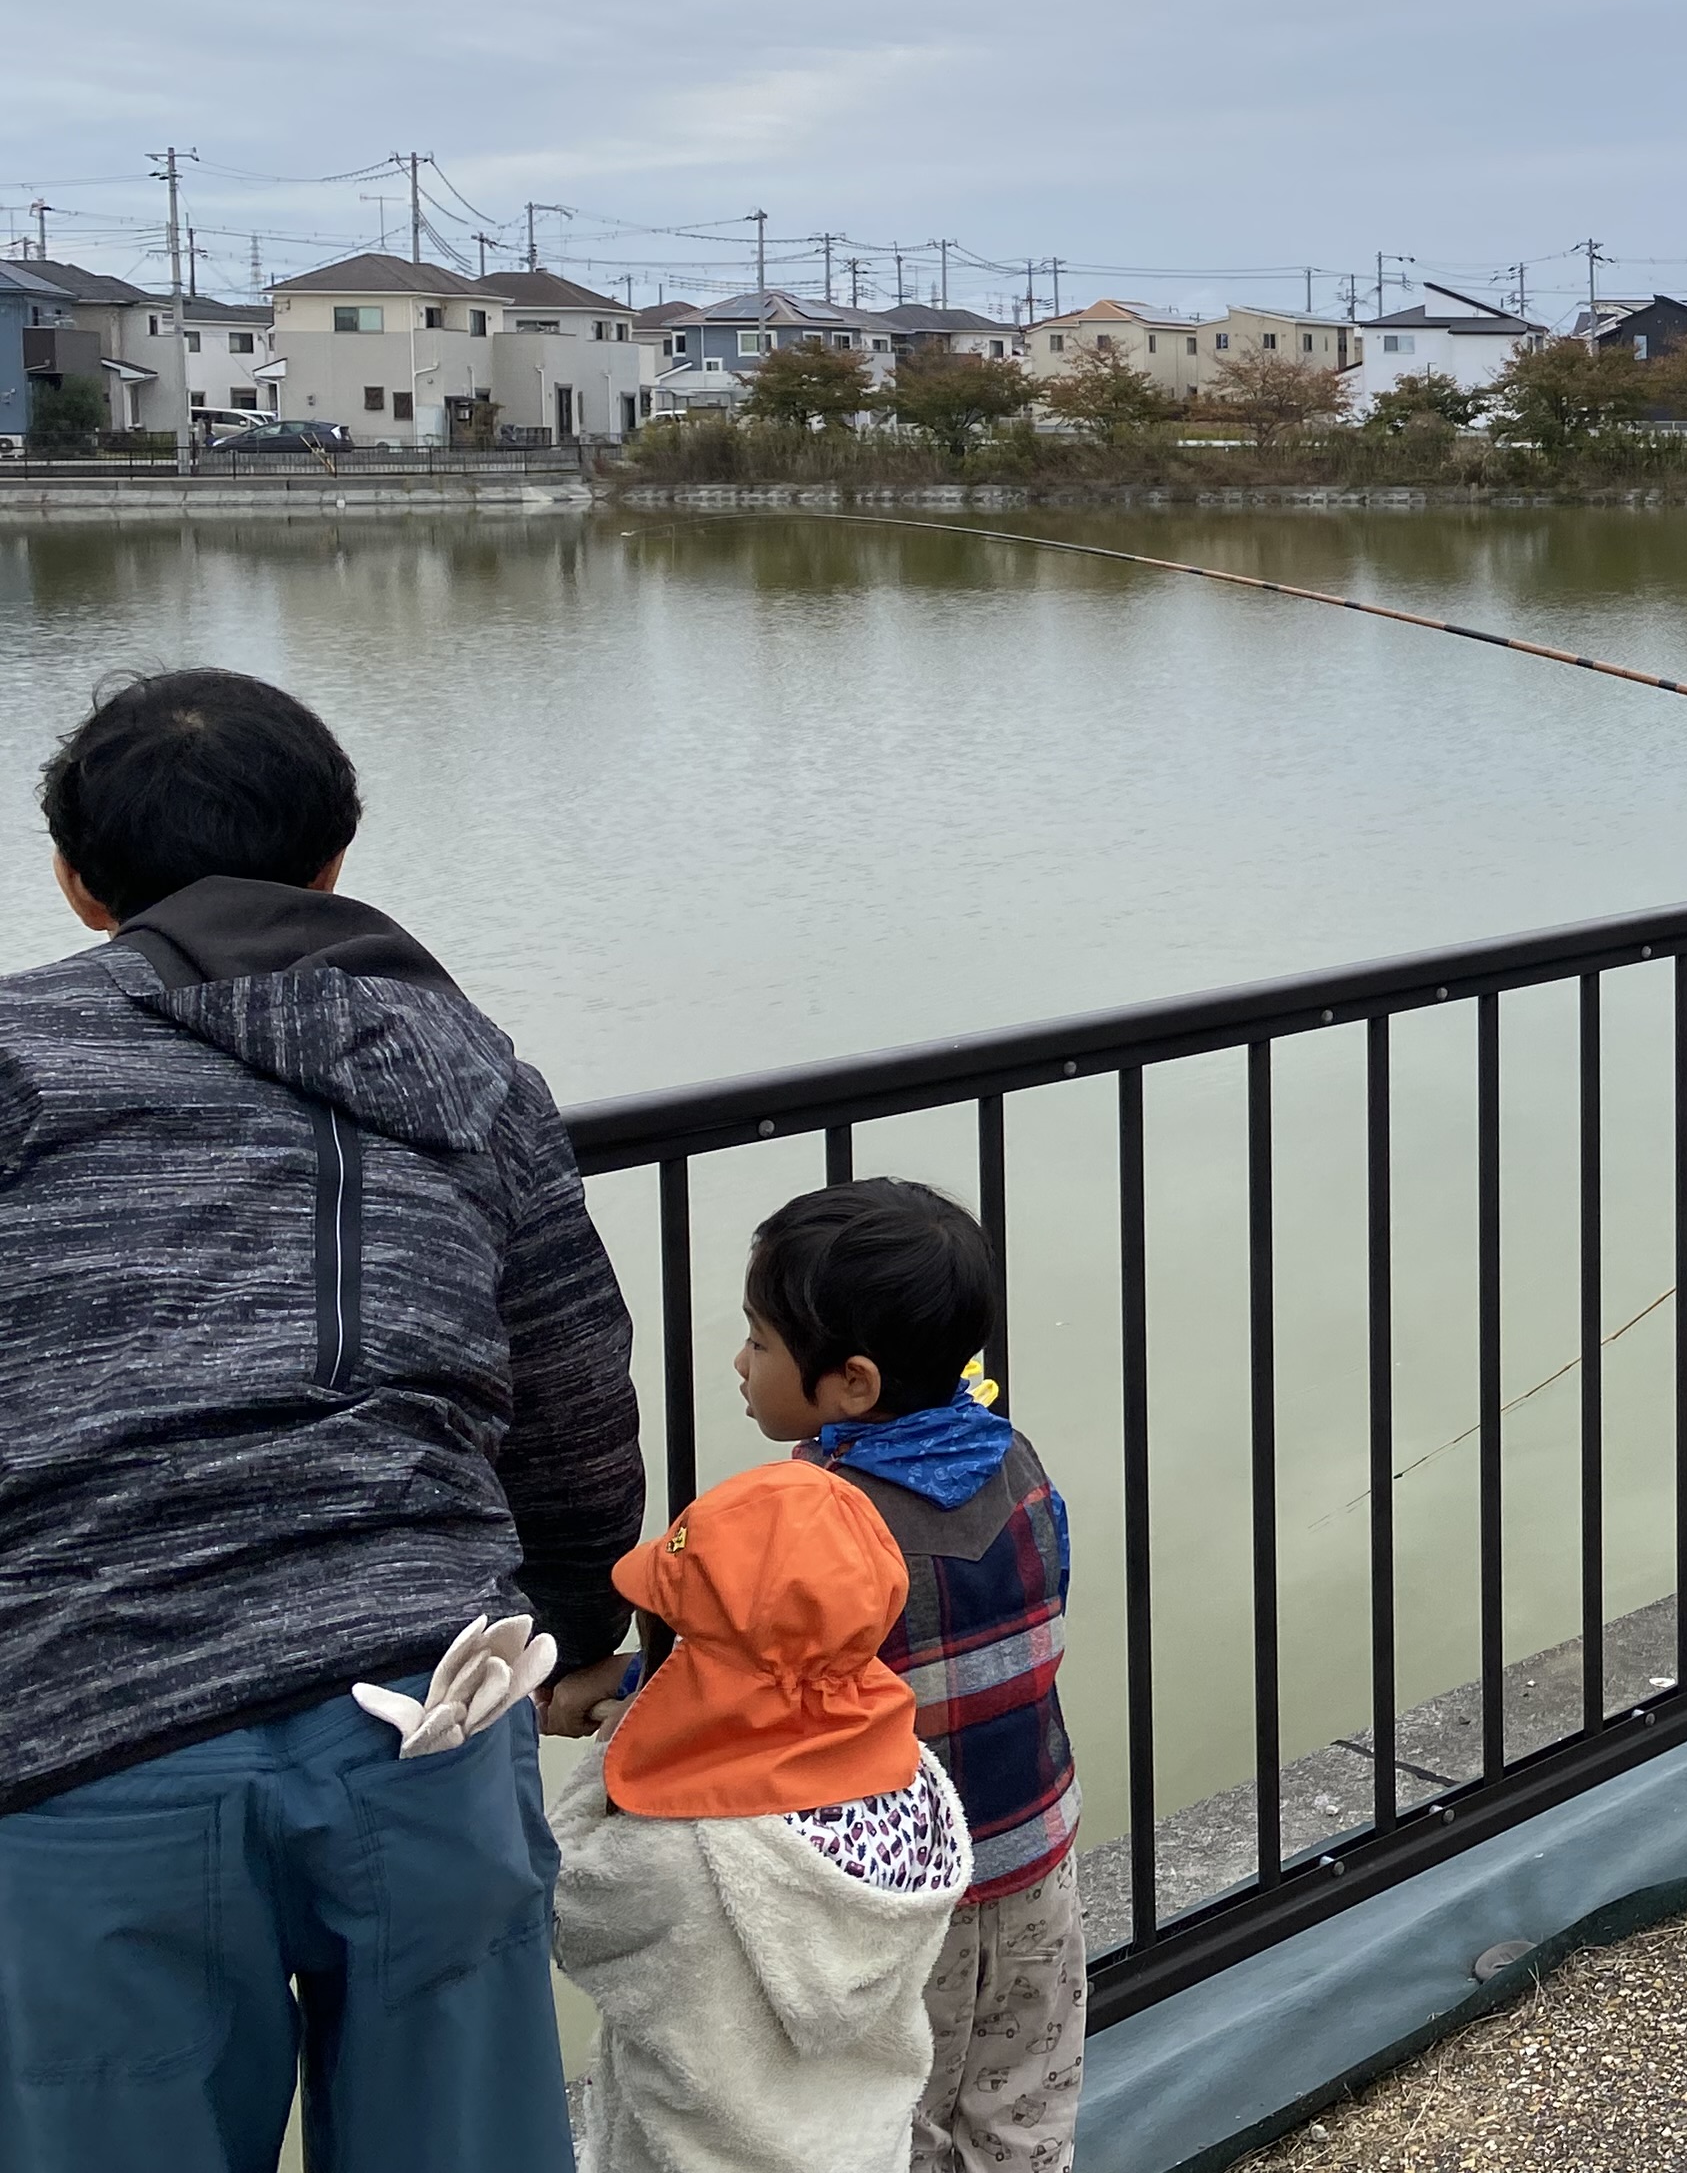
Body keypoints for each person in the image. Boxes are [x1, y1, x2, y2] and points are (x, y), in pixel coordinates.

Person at [0, 669, 642, 2173]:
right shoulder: (466, 1065)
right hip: (427, 1698)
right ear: (334, 860)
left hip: (86, 1725)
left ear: (78, 885)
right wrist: (569, 1615)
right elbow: (571, 1389)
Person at [747, 1184, 1086, 2172]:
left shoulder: (811, 1518)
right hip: (1036, 1860)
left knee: (889, 2125)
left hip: (899, 1897)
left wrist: (613, 1681)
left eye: (760, 1342)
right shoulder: (1018, 1461)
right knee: (1023, 2107)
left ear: (850, 1382)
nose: (740, 1364)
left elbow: (732, 1682)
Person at [552, 1461, 976, 2172]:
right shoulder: (915, 1783)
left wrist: (623, 1746)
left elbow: (557, 1900)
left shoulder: (677, 1858)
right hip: (862, 2151)